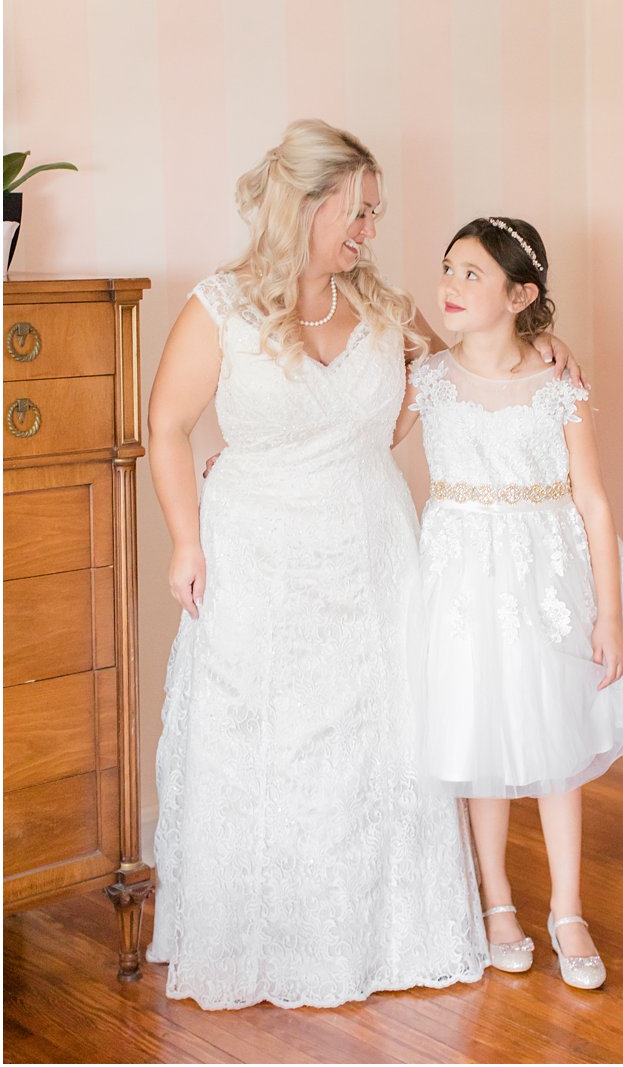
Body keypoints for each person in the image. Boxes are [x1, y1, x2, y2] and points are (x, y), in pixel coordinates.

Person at [144, 120, 581, 1009]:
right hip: (258, 554)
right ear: (308, 205)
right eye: (361, 212)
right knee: (268, 735)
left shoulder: (380, 305)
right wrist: (187, 540)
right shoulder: (220, 305)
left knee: (374, 736)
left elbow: (465, 360)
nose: (371, 230)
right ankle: (269, 935)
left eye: (374, 214)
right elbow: (167, 427)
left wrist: (541, 349)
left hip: (374, 548)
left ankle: (384, 929)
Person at [395, 216, 623, 990]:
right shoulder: (426, 380)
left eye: (472, 274)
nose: (452, 286)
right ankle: (498, 901)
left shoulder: (558, 384)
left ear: (520, 294)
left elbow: (592, 501)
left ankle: (568, 908)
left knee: (556, 743)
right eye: (448, 268)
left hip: (545, 578)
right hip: (460, 581)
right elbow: (359, 445)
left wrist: (609, 612)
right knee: (480, 743)